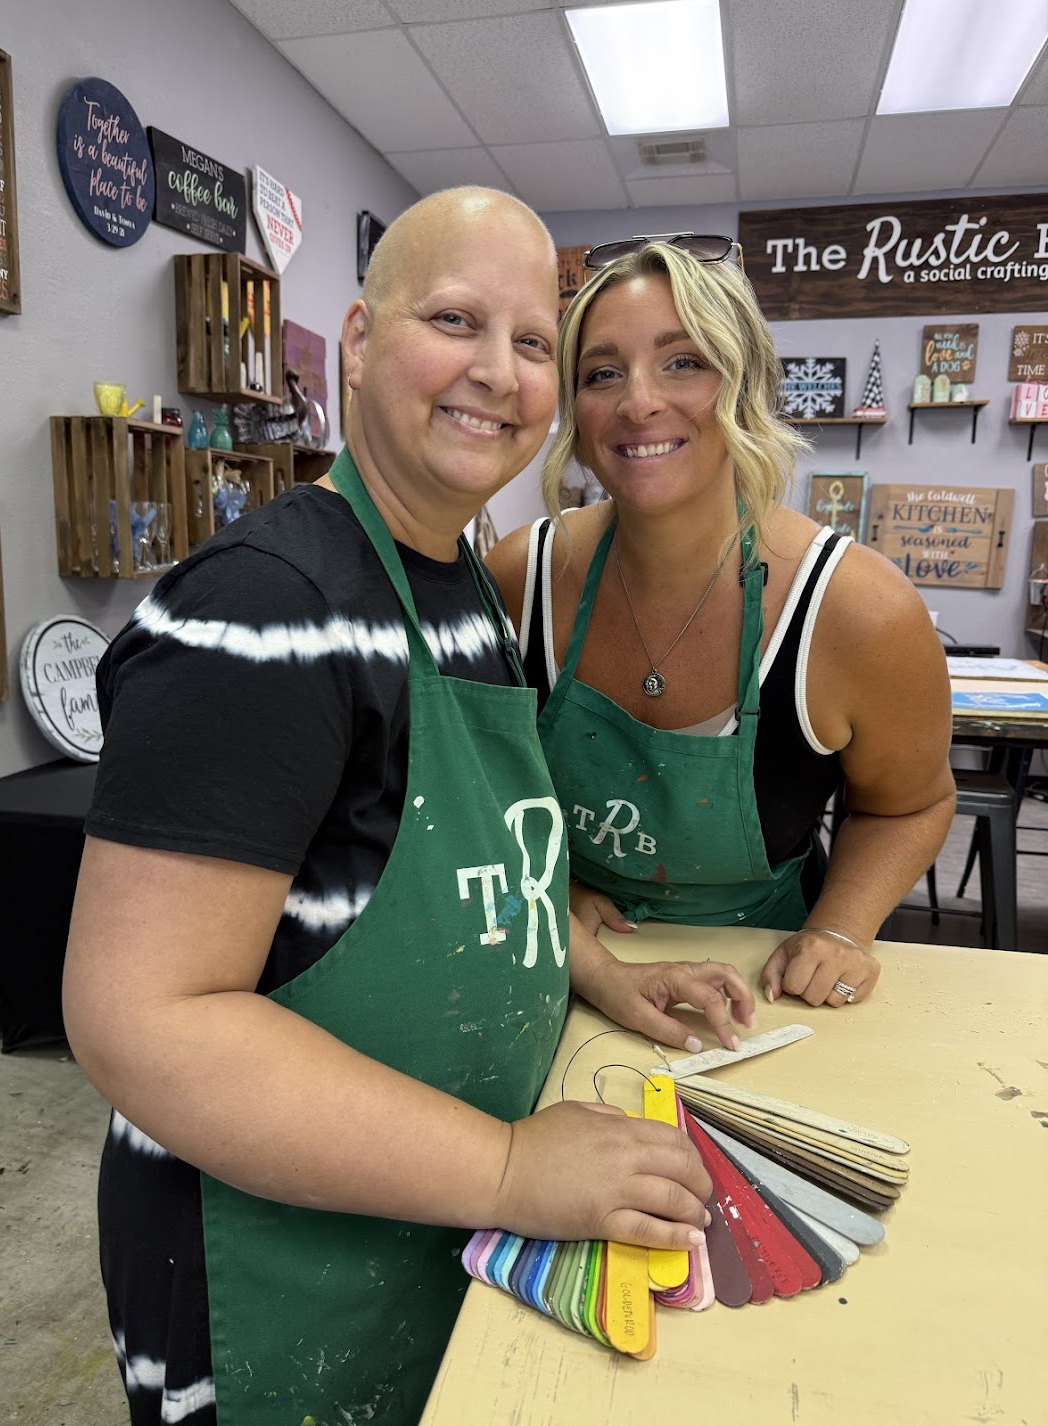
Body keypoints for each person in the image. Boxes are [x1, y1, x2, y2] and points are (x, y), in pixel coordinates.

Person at [63, 194, 756, 1426]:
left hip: (430, 1222)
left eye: (533, 341)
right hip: (271, 1275)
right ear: (361, 341)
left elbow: (477, 862)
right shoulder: (262, 612)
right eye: (453, 320)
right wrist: (502, 1166)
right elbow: (139, 1021)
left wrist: (592, 970)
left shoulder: (456, 588)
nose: (497, 371)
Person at [486, 234, 955, 1012]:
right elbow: (474, 783)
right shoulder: (521, 578)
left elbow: (910, 803)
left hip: (769, 990)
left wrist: (841, 930)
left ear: (747, 382)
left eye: (684, 360)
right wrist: (551, 877)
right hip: (565, 971)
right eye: (603, 373)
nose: (638, 402)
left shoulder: (856, 611)